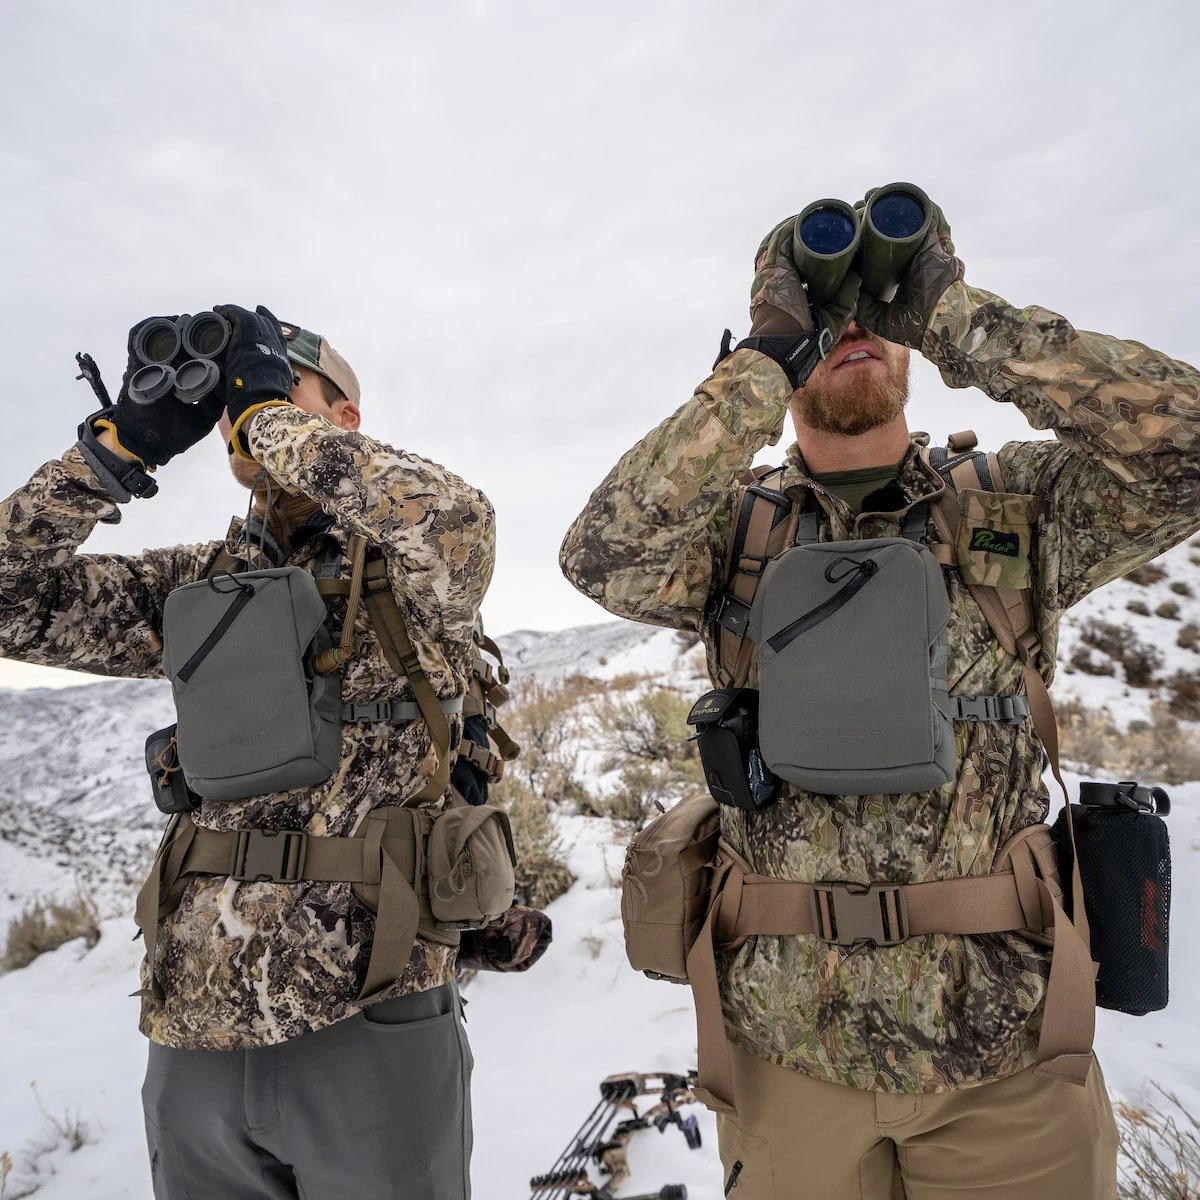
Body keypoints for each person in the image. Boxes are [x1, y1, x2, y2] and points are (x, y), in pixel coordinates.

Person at [559, 194, 1200, 1198]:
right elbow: (600, 553)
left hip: (1010, 1055)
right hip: (785, 1054)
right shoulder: (731, 533)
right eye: (824, 307)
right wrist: (762, 368)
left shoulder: (1014, 505)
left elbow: (1187, 450)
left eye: (878, 305)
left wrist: (958, 318)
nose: (852, 324)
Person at [0, 304, 534, 1199]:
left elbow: (454, 517)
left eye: (281, 380)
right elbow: (10, 603)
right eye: (235, 390)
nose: (245, 402)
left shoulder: (415, 571)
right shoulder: (201, 581)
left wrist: (266, 419)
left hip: (370, 1011)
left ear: (344, 417)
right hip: (193, 1030)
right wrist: (114, 452)